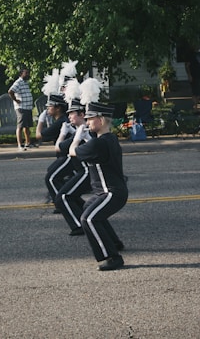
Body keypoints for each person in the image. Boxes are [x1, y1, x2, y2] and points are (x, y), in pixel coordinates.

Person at [69, 101, 128, 271]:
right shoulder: (109, 138)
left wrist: (76, 138)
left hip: (111, 193)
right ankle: (115, 243)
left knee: (88, 218)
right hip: (108, 192)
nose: (86, 122)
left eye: (90, 119)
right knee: (88, 207)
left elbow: (72, 152)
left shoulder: (98, 144)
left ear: (100, 121)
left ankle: (112, 257)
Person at [54, 99, 92, 235]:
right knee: (69, 195)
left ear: (82, 115)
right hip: (83, 172)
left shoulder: (82, 133)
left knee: (62, 197)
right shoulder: (81, 131)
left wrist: (63, 133)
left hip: (88, 172)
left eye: (72, 113)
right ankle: (85, 217)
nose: (69, 116)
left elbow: (59, 147)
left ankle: (79, 226)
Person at [8, 66, 33, 150]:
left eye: (28, 73)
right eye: (26, 73)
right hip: (21, 108)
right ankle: (20, 144)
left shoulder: (26, 82)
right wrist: (16, 100)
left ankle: (28, 143)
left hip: (28, 107)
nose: (28, 74)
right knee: (20, 126)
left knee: (27, 126)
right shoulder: (18, 82)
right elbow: (10, 91)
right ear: (21, 74)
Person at [185, 45, 200, 111]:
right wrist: (189, 75)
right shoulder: (190, 55)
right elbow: (187, 66)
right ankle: (196, 108)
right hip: (194, 76)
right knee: (195, 93)